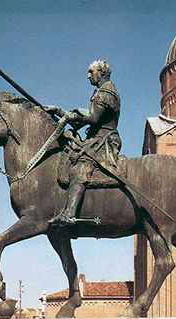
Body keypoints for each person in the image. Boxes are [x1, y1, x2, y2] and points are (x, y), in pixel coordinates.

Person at [43, 59, 121, 225]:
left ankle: (69, 213)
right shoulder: (100, 92)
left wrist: (71, 116)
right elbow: (80, 121)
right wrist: (59, 111)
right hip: (95, 139)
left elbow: (92, 119)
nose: (88, 76)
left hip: (104, 141)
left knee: (80, 168)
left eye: (91, 72)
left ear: (102, 73)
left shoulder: (106, 91)